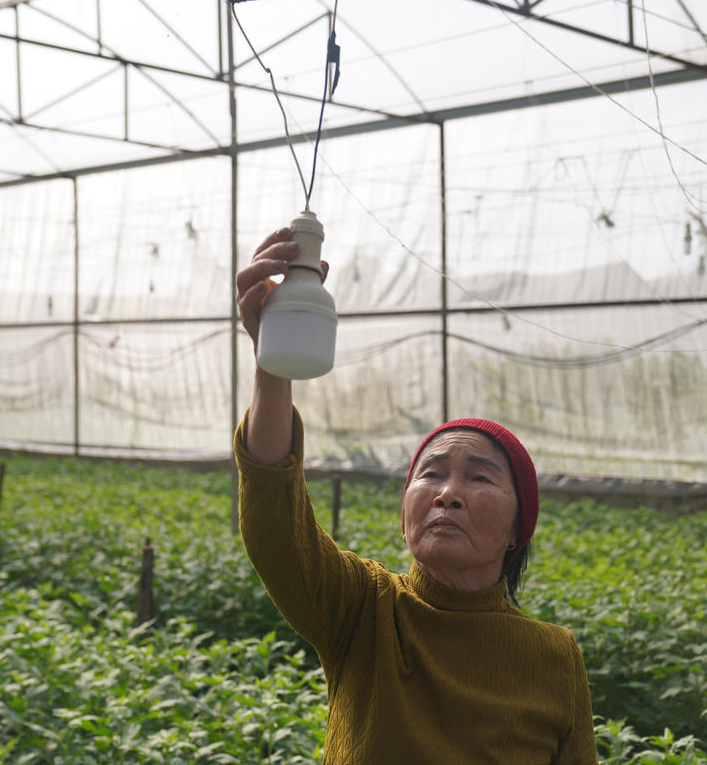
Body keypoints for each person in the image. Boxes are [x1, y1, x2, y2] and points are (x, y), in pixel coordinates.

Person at [233, 226, 598, 764]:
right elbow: (273, 525)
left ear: (519, 529)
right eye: (431, 474)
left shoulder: (554, 657)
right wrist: (274, 355)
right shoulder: (366, 609)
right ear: (405, 514)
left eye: (479, 477)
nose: (448, 493)